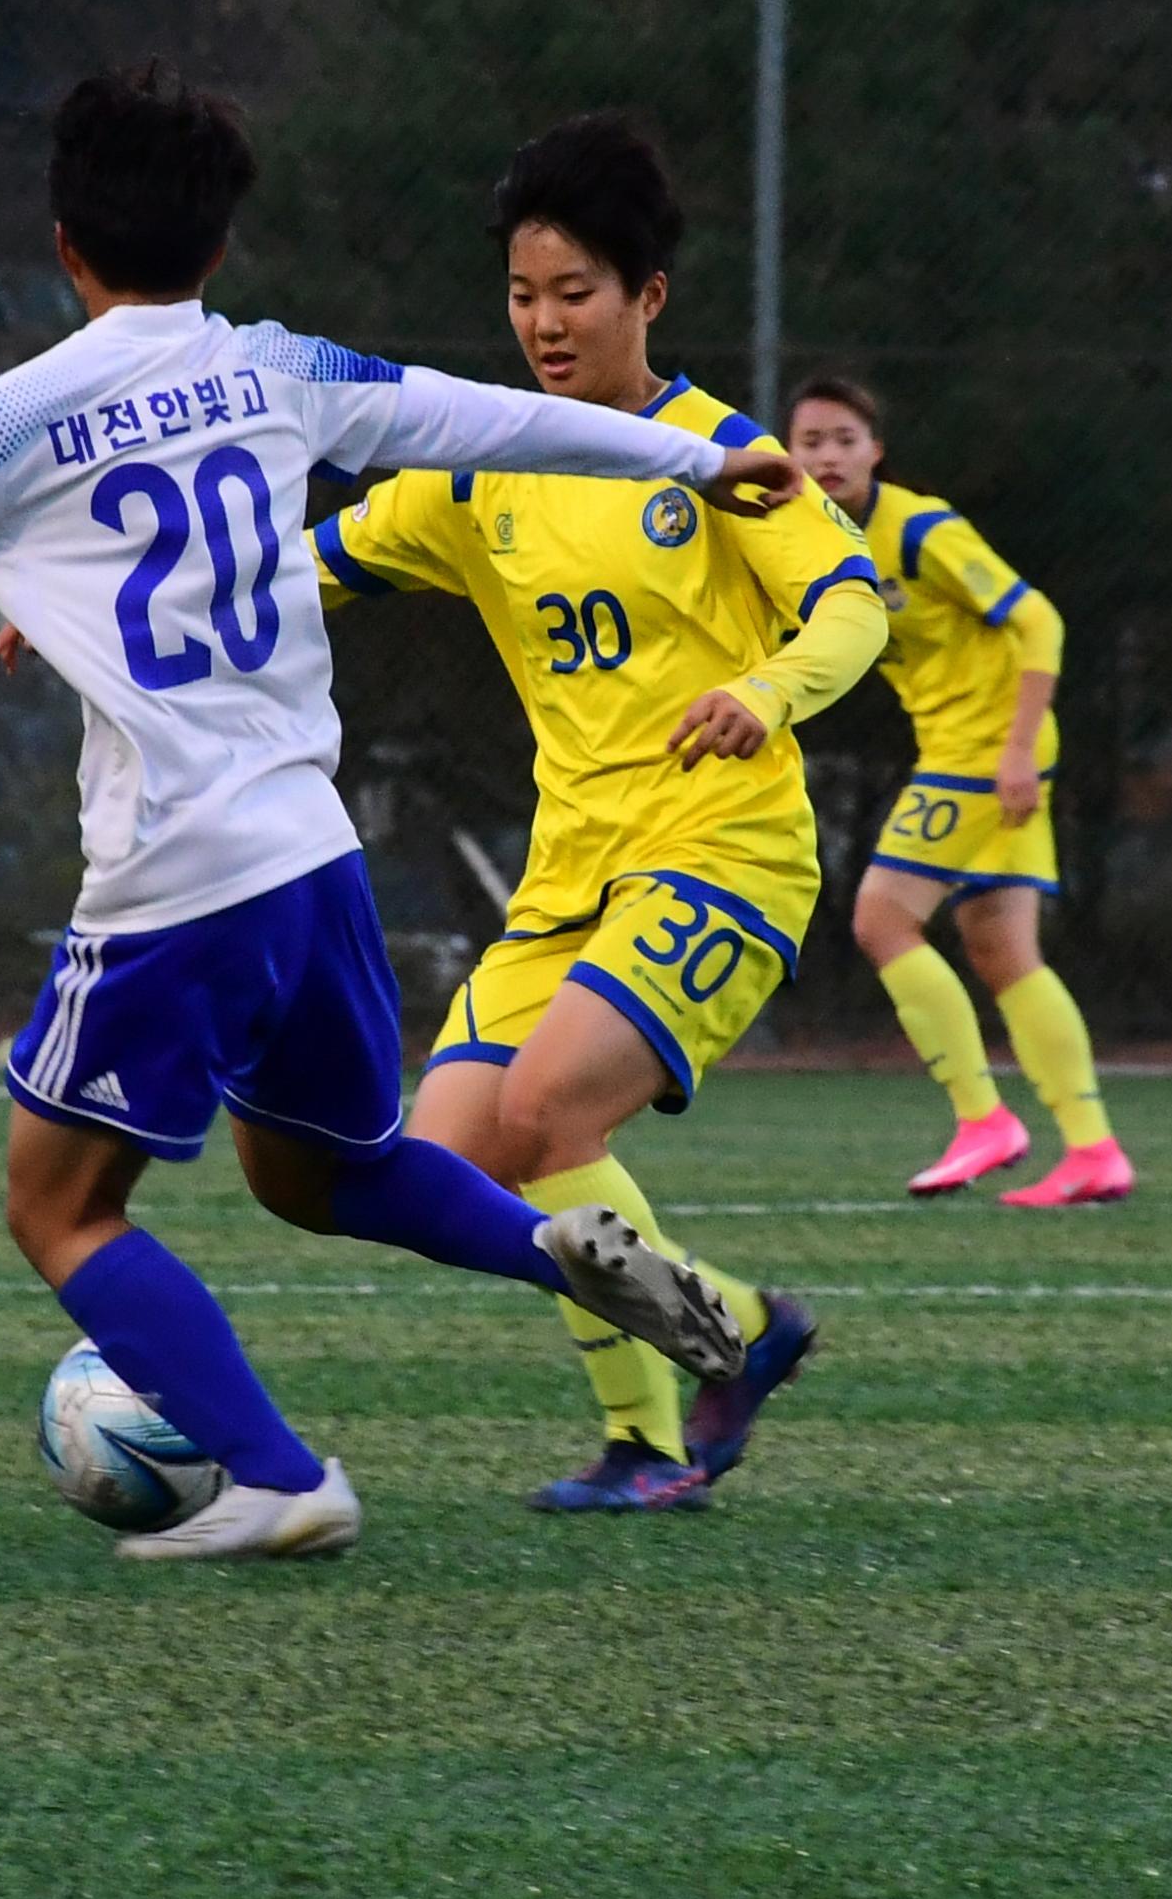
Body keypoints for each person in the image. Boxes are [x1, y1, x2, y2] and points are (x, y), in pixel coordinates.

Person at [0, 64, 810, 1561]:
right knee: (329, 1172)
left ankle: (276, 1473)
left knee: (57, 1208)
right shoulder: (281, 367)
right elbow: (493, 420)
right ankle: (574, 1256)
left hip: (175, 876)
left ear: (66, 244)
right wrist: (707, 455)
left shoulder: (19, 417)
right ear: (219, 250)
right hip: (315, 858)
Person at [311, 113, 889, 1510]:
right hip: (569, 879)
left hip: (725, 855)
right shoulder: (481, 465)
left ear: (650, 299)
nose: (545, 324)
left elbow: (853, 604)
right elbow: (310, 559)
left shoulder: (722, 457)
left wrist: (769, 688)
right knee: (429, 1168)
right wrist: (109, 608)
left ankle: (712, 1368)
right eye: (523, 295)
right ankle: (660, 1425)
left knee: (554, 1099)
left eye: (577, 294)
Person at [783, 376, 1129, 1206]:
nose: (827, 457)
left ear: (877, 452)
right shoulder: (813, 539)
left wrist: (1015, 749)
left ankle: (983, 1120)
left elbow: (1039, 618)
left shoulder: (920, 527)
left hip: (986, 750)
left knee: (880, 917)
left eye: (844, 440)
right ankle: (1092, 1149)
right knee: (1005, 952)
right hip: (965, 748)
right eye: (810, 442)